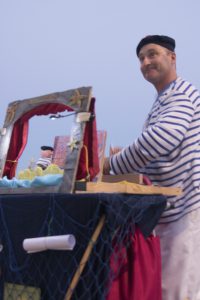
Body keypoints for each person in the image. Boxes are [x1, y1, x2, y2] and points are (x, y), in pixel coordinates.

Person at [103, 35, 200, 299]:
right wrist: (127, 157)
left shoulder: (180, 93)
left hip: (184, 210)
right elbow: (159, 147)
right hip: (169, 213)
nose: (146, 62)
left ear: (172, 57)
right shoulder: (165, 98)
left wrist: (111, 165)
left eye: (152, 54)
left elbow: (160, 139)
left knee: (179, 293)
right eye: (141, 58)